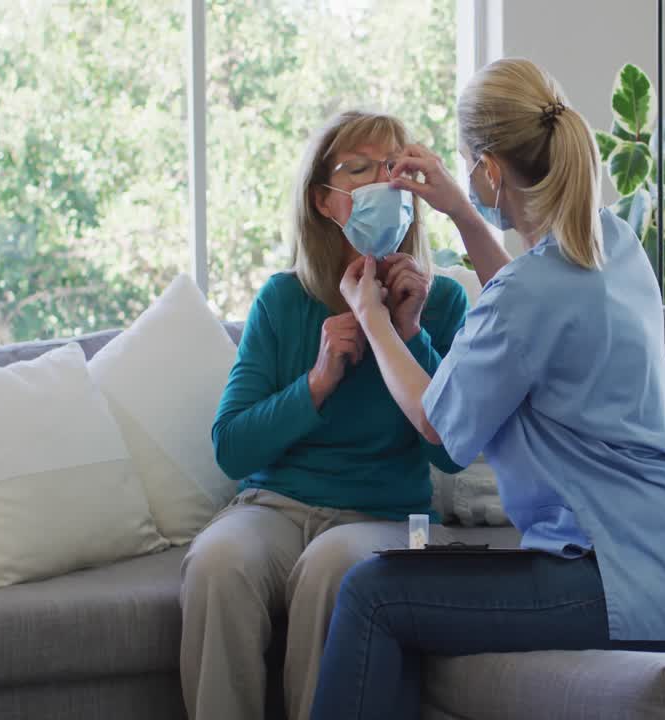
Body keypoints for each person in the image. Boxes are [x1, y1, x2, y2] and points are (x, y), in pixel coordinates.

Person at [310, 58, 665, 719]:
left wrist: (372, 318)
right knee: (409, 575)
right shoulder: (611, 240)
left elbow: (436, 421)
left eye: (468, 163)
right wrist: (463, 216)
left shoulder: (533, 292)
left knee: (374, 594)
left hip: (617, 582)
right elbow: (527, 303)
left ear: (490, 171)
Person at [179, 110, 505, 720]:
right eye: (360, 169)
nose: (383, 184)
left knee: (334, 567)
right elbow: (231, 446)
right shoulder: (282, 301)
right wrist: (318, 381)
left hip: (394, 518)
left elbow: (452, 451)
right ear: (326, 202)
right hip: (276, 508)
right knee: (218, 561)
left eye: (394, 169)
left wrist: (408, 335)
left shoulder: (444, 303)